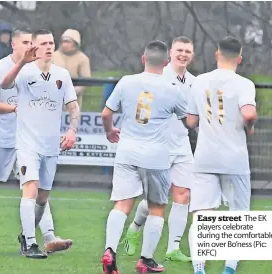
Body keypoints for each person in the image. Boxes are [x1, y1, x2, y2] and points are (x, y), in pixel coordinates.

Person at [0, 28, 73, 254]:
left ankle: (47, 236)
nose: (32, 47)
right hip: (2, 137)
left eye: (33, 42)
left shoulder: (44, 71)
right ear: (14, 45)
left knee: (34, 188)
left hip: (28, 140)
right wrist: (13, 108)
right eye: (26, 42)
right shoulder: (1, 68)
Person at [100, 40, 187, 274]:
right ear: (167, 62)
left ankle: (110, 250)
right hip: (156, 156)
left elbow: (106, 113)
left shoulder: (127, 81)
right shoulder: (172, 89)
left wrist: (110, 131)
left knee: (122, 204)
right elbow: (188, 119)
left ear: (143, 59)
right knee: (157, 207)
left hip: (126, 151)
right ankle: (146, 260)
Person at [0, 29, 80, 259]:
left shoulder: (62, 75)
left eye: (51, 43)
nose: (48, 47)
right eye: (43, 43)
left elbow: (73, 106)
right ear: (33, 46)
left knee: (42, 198)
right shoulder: (24, 71)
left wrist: (72, 130)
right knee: (31, 189)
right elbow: (5, 85)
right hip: (27, 144)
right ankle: (32, 244)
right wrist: (21, 63)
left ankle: (26, 235)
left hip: (50, 146)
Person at [185, 36, 257, 274]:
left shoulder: (199, 81)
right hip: (234, 159)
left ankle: (199, 268)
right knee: (237, 218)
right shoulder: (244, 84)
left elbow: (191, 121)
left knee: (203, 215)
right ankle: (228, 269)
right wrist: (250, 127)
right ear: (239, 58)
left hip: (205, 157)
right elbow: (248, 114)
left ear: (217, 54)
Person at [121, 36, 195, 262]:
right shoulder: (159, 75)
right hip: (158, 145)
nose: (183, 55)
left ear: (192, 56)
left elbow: (192, 116)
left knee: (183, 194)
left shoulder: (194, 81)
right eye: (179, 50)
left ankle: (173, 248)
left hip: (182, 144)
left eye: (188, 51)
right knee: (156, 200)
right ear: (170, 53)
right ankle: (134, 229)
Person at [52, 29, 91, 108]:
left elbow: (86, 80)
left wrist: (71, 93)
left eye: (67, 42)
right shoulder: (53, 56)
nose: (64, 44)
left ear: (75, 44)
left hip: (73, 99)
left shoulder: (82, 58)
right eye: (63, 41)